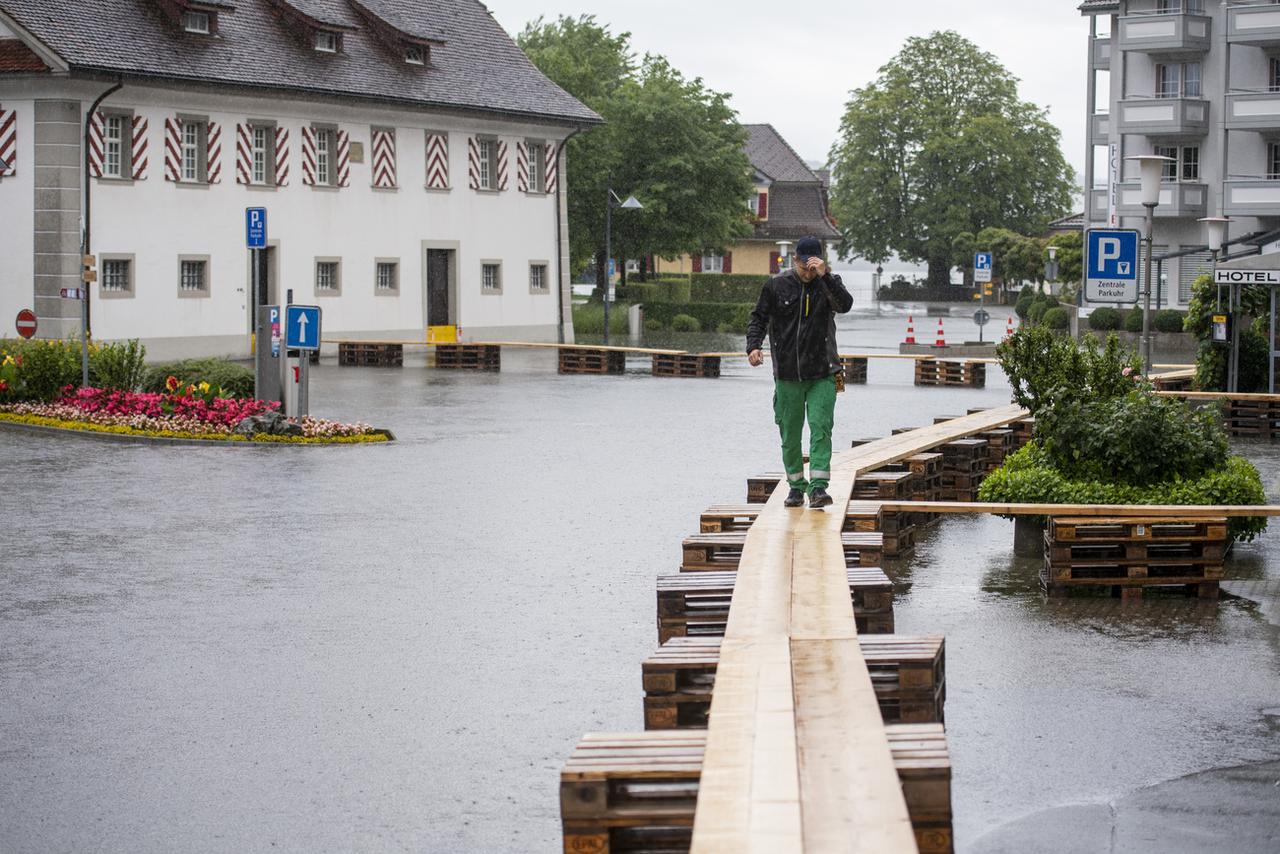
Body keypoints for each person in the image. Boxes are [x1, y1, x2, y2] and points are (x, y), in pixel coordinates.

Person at [746, 236, 854, 508]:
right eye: (805, 265)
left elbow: (845, 305)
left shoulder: (829, 284)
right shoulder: (776, 285)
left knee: (821, 428)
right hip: (787, 374)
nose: (809, 271)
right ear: (795, 260)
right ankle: (796, 486)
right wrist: (753, 346)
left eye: (813, 265)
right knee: (790, 433)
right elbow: (758, 317)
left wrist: (825, 276)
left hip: (823, 373)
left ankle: (818, 488)